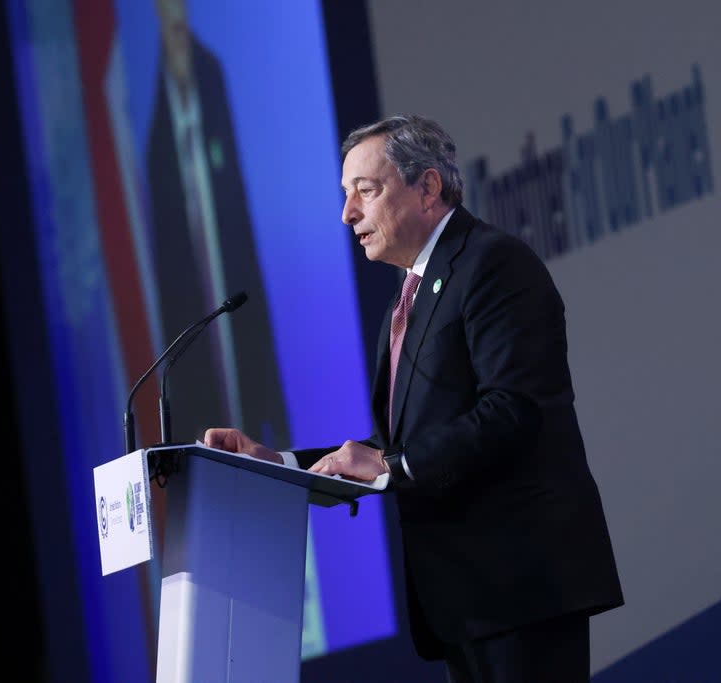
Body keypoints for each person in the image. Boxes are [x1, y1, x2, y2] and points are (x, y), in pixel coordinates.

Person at [205, 115, 623, 682]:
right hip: (466, 599)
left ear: (427, 188)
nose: (347, 213)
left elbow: (516, 410)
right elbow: (393, 447)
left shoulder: (494, 265)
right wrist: (278, 465)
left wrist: (392, 464)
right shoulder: (413, 292)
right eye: (345, 194)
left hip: (522, 586)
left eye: (365, 191)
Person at [145, 0, 288, 448]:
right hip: (191, 280)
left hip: (228, 258)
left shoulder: (209, 72)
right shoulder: (158, 100)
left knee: (248, 373)